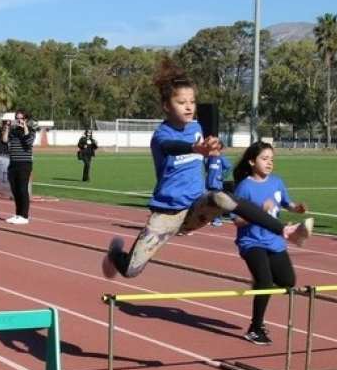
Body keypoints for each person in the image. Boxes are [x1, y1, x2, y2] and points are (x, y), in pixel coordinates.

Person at [102, 60, 314, 280]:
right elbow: (169, 147)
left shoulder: (196, 127)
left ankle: (286, 231)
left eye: (192, 101)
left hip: (196, 207)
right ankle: (116, 254)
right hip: (168, 213)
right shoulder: (161, 136)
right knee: (130, 271)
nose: (189, 107)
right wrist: (194, 148)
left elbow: (209, 146)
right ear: (166, 106)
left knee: (222, 198)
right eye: (181, 102)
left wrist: (212, 147)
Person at [232, 141, 308, 345]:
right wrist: (260, 212)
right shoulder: (244, 187)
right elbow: (237, 220)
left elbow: (285, 201)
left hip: (274, 241)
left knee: (288, 282)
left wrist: (296, 208)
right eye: (264, 159)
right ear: (251, 161)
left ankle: (260, 278)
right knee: (265, 282)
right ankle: (255, 328)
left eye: (272, 159)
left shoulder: (276, 182)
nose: (269, 163)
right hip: (252, 242)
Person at [3, 110, 35, 223]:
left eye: (21, 118)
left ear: (25, 119)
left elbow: (29, 142)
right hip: (13, 163)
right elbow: (5, 140)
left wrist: (25, 127)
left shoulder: (31, 131)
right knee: (15, 190)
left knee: (23, 190)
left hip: (24, 164)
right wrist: (7, 127)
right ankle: (18, 214)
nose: (18, 120)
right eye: (17, 118)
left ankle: (24, 216)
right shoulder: (14, 131)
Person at [206, 141, 232, 226]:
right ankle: (210, 218)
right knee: (209, 202)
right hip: (209, 183)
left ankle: (218, 219)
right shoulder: (210, 158)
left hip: (217, 184)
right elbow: (207, 168)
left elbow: (228, 168)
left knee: (217, 202)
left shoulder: (221, 158)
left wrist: (222, 177)